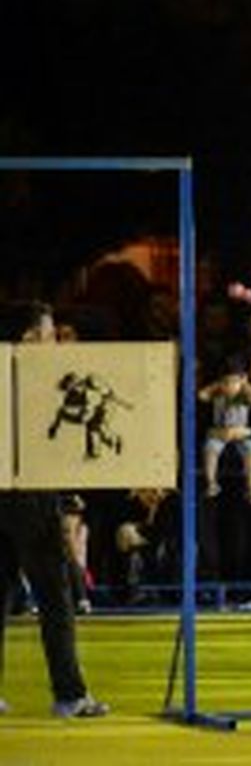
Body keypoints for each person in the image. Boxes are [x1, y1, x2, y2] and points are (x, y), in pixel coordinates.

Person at [0, 303, 108, 717]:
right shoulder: (35, 378)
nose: (54, 343)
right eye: (48, 335)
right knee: (55, 595)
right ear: (28, 338)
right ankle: (69, 693)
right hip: (28, 491)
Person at [198, 356, 251, 504]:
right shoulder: (218, 396)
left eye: (234, 382)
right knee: (210, 449)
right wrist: (216, 385)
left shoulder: (243, 396)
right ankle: (212, 483)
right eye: (226, 382)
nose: (230, 386)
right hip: (220, 432)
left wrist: (244, 384)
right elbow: (202, 395)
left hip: (241, 433)